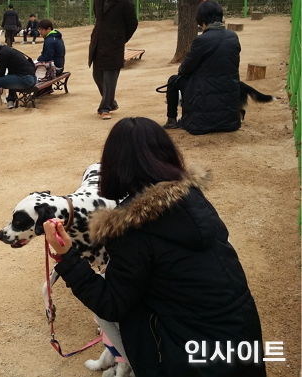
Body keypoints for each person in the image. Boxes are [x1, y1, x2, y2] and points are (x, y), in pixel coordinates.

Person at [44, 117, 265, 377]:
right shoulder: (193, 198)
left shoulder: (131, 227)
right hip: (242, 345)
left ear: (114, 164)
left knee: (122, 310)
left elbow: (111, 304)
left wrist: (66, 257)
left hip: (189, 361)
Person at [163, 0, 241, 134]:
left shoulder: (202, 40)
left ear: (202, 21)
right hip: (230, 120)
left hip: (200, 122)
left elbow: (184, 70)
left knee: (173, 80)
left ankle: (172, 121)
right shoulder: (233, 37)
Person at [88, 0, 138, 120]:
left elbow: (132, 24)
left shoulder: (125, 2)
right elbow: (98, 18)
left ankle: (105, 108)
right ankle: (111, 102)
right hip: (98, 42)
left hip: (114, 45)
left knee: (110, 78)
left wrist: (120, 39)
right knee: (97, 75)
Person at [0, 36, 36, 113]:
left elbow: (1, 73)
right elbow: (11, 68)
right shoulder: (5, 49)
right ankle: (10, 100)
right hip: (31, 78)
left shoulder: (2, 54)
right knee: (10, 77)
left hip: (26, 80)